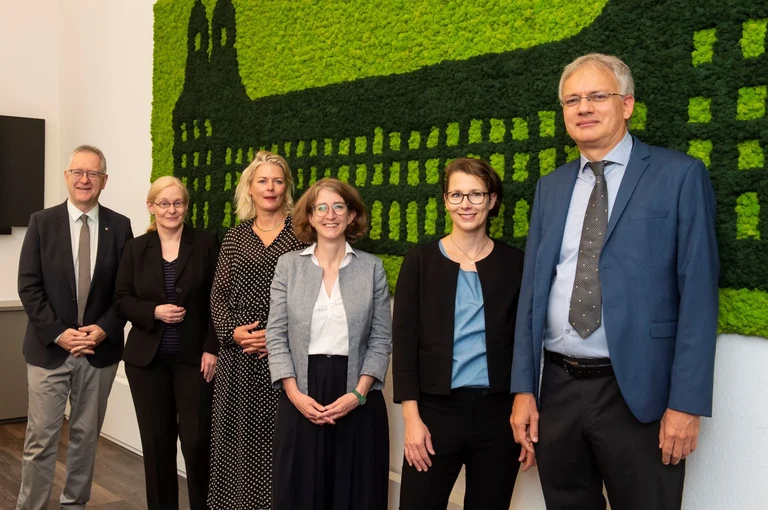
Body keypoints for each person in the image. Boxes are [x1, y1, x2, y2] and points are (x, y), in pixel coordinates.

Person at [510, 53, 719, 510]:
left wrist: (686, 405)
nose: (583, 107)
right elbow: (532, 293)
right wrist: (524, 390)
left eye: (597, 96)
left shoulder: (680, 176)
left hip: (638, 394)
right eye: (572, 100)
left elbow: (699, 298)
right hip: (558, 389)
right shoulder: (551, 186)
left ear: (626, 105)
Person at [392, 158, 526, 510]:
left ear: (493, 200)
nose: (465, 204)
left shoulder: (516, 264)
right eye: (456, 195)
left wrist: (527, 411)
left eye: (476, 194)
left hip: (498, 416)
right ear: (445, 200)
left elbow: (527, 342)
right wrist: (412, 420)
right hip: (435, 414)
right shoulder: (419, 259)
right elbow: (403, 345)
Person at [16, 145, 133, 510]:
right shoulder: (41, 222)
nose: (85, 180)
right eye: (78, 173)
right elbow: (29, 285)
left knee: (86, 438)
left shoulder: (121, 226)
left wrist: (102, 330)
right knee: (40, 439)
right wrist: (59, 333)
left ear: (104, 180)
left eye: (93, 174)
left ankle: (74, 505)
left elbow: (126, 291)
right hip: (49, 350)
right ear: (67, 177)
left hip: (98, 352)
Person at [266, 178, 392, 510]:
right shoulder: (289, 266)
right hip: (301, 393)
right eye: (321, 207)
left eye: (339, 206)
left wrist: (358, 394)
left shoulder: (372, 268)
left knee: (354, 494)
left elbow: (381, 339)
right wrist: (293, 393)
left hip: (356, 394)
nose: (330, 214)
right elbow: (275, 335)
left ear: (352, 216)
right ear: (310, 215)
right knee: (300, 492)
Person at [207, 150, 307, 509]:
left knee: (281, 441)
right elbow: (217, 295)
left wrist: (278, 337)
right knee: (237, 440)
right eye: (262, 180)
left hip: (286, 356)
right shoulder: (234, 238)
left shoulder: (302, 234)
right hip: (238, 358)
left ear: (287, 187)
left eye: (278, 181)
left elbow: (313, 296)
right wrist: (234, 332)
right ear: (249, 188)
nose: (270, 187)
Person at [114, 176, 218, 509]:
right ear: (151, 206)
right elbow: (121, 299)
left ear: (186, 206)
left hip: (194, 360)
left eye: (178, 203)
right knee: (157, 446)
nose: (171, 209)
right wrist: (153, 311)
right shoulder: (135, 248)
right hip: (147, 363)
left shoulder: (206, 243)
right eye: (164, 203)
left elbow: (220, 299)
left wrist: (212, 347)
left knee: (197, 441)